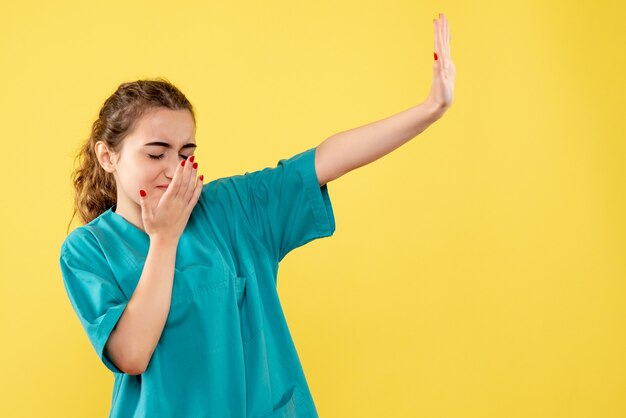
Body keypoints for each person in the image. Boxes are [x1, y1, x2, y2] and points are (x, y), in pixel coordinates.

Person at [59, 14, 454, 418]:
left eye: (185, 155)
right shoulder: (88, 250)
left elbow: (323, 161)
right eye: (156, 153)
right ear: (107, 156)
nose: (173, 169)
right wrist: (164, 238)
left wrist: (430, 109)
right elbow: (132, 354)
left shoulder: (231, 209)